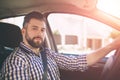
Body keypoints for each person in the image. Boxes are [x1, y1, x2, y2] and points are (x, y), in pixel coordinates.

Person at [1, 11, 120, 80]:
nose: (39, 33)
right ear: (23, 31)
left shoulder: (46, 52)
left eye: (42, 30)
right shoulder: (16, 62)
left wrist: (112, 46)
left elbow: (76, 62)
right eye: (34, 28)